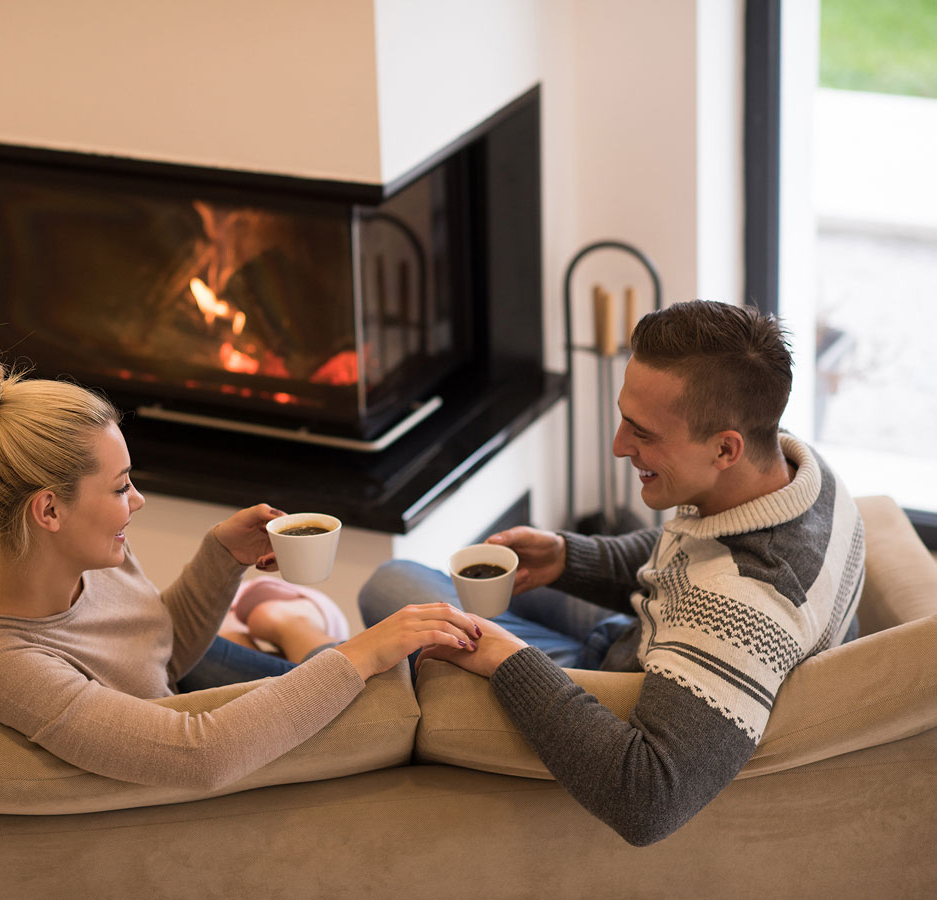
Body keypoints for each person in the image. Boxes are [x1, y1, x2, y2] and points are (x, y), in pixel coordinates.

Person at [359, 300, 866, 845]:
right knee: (441, 579)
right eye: (625, 417)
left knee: (393, 587)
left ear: (725, 447)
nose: (620, 446)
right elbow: (695, 552)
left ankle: (309, 650)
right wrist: (567, 558)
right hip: (643, 633)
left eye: (643, 433)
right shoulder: (800, 473)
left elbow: (647, 799)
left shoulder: (742, 605)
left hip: (613, 678)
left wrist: (510, 661)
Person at [0, 344, 482, 791]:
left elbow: (153, 654)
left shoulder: (74, 552)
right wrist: (359, 651)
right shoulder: (4, 667)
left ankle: (284, 627)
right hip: (192, 788)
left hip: (177, 705)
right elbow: (201, 754)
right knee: (395, 697)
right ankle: (292, 628)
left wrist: (221, 558)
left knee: (394, 678)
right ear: (49, 509)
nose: (138, 501)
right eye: (121, 487)